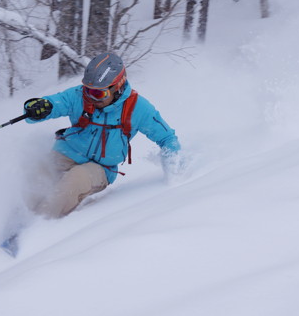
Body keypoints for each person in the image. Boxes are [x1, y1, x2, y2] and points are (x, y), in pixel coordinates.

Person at [23, 52, 181, 218]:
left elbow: (167, 138)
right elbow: (54, 104)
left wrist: (174, 170)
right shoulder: (79, 95)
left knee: (75, 180)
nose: (91, 97)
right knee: (36, 171)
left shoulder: (137, 108)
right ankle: (22, 217)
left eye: (98, 94)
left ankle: (38, 225)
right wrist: (38, 108)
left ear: (117, 87)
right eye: (88, 90)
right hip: (68, 152)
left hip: (100, 167)